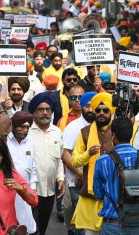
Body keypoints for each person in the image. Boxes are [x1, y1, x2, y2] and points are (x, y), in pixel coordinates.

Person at [93, 117, 139, 235]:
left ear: (113, 135)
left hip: (113, 224)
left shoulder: (103, 161)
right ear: (131, 134)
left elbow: (98, 194)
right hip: (138, 222)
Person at [71, 92, 115, 235]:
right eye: (98, 110)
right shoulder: (84, 132)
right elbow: (75, 160)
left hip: (113, 195)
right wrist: (88, 154)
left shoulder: (118, 131)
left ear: (111, 111)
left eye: (105, 110)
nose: (101, 113)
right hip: (90, 195)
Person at [28, 92, 65, 235]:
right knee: (32, 229)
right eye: (40, 110)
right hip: (30, 190)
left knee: (42, 227)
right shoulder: (27, 132)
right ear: (34, 113)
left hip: (49, 190)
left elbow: (59, 159)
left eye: (48, 110)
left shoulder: (57, 132)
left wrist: (60, 178)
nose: (45, 113)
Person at [62, 91, 97, 235]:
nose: (90, 110)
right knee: (82, 227)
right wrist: (81, 174)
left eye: (93, 106)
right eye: (87, 106)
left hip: (97, 184)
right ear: (82, 107)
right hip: (78, 183)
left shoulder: (104, 126)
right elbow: (65, 154)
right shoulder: (73, 127)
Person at [7, 111, 37, 234]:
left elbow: (33, 167)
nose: (24, 130)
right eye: (21, 126)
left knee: (27, 225)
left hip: (25, 190)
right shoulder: (5, 140)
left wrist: (33, 188)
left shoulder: (31, 141)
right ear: (13, 125)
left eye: (27, 127)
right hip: (8, 189)